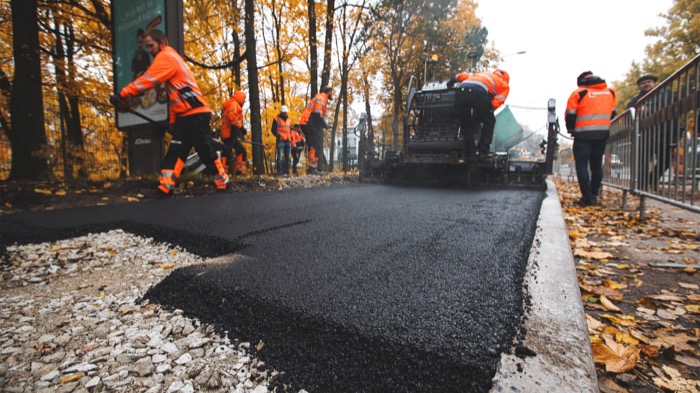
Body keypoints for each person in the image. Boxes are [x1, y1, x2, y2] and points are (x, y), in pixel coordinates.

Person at [111, 28, 229, 197]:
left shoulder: (165, 56)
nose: (149, 50)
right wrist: (174, 122)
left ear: (162, 43)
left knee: (204, 150)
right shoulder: (170, 57)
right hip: (185, 115)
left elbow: (148, 80)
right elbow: (174, 97)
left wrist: (123, 94)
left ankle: (223, 183)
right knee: (176, 151)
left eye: (151, 45)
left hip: (195, 113)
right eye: (146, 47)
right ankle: (165, 187)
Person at [565, 71, 617, 206]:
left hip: (582, 134)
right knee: (596, 165)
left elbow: (570, 114)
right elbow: (613, 112)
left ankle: (587, 197)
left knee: (581, 165)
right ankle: (594, 195)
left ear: (582, 81)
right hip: (601, 134)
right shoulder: (610, 92)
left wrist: (571, 130)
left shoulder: (579, 93)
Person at [450, 69, 510, 160]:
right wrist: (485, 114)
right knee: (489, 121)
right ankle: (483, 151)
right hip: (479, 93)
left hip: (460, 92)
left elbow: (461, 76)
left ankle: (470, 153)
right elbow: (495, 103)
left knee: (466, 123)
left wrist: (451, 81)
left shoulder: (481, 74)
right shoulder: (504, 85)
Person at [299, 85, 332, 174]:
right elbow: (317, 115)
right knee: (314, 145)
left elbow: (317, 116)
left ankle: (312, 168)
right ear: (329, 92)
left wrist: (324, 125)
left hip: (307, 123)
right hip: (307, 123)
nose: (332, 95)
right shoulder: (321, 99)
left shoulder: (320, 98)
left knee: (314, 145)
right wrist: (325, 125)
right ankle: (312, 169)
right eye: (331, 93)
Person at [221, 90, 248, 175]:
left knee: (241, 150)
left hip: (231, 132)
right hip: (229, 132)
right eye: (244, 99)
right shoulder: (234, 104)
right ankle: (222, 172)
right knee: (227, 152)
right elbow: (231, 116)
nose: (244, 101)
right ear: (241, 98)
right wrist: (241, 127)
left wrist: (240, 129)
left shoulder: (233, 104)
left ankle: (239, 170)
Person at [271, 106, 292, 175]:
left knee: (288, 157)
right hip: (281, 140)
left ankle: (286, 171)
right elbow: (273, 130)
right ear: (281, 112)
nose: (285, 113)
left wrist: (291, 137)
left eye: (285, 112)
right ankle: (279, 171)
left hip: (288, 140)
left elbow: (290, 130)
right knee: (279, 156)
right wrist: (278, 136)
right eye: (284, 112)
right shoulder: (277, 119)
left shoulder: (289, 121)